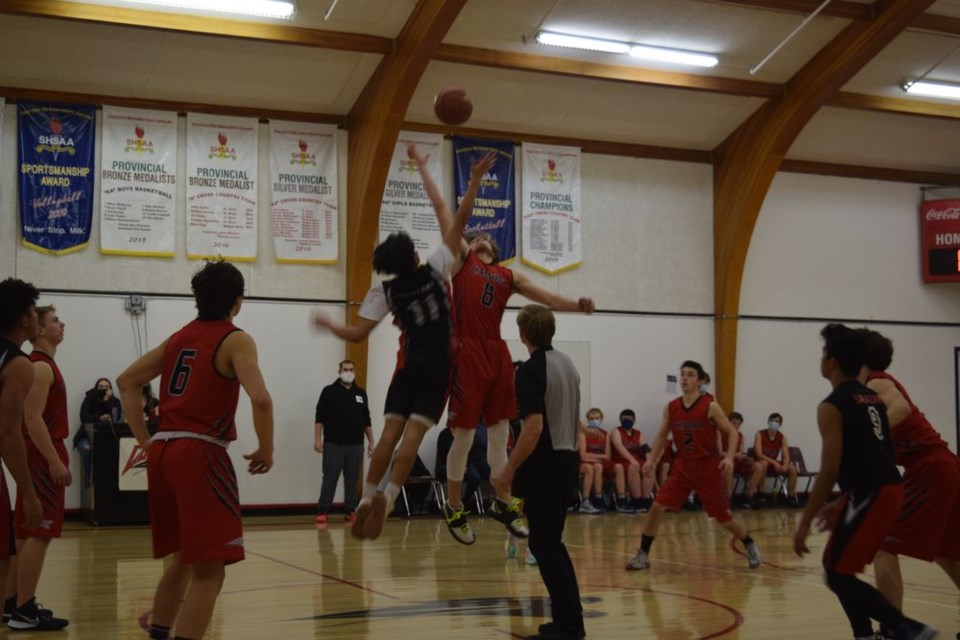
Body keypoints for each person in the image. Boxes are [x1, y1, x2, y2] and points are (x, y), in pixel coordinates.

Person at [312, 143, 490, 541]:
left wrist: (329, 324)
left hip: (408, 366)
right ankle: (389, 498)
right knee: (413, 436)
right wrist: (472, 179)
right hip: (440, 364)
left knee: (390, 432)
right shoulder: (436, 269)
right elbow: (457, 219)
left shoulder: (384, 292)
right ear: (413, 256)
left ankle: (363, 501)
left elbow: (357, 334)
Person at [436, 150, 595, 546]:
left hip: (496, 353)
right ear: (472, 246)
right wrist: (473, 182)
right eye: (478, 239)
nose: (483, 240)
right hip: (467, 351)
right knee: (462, 435)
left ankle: (503, 502)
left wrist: (576, 304)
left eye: (488, 240)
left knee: (500, 431)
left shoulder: (507, 275)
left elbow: (543, 296)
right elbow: (457, 223)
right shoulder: (460, 263)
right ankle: (454, 506)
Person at [117, 259, 275, 640]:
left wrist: (145, 441)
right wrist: (266, 447)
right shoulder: (235, 338)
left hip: (164, 453)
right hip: (200, 453)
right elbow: (261, 399)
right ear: (237, 302)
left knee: (181, 561)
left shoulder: (178, 338)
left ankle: (159, 631)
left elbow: (126, 381)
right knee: (210, 570)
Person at [793, 324, 936, 640]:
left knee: (837, 573)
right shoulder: (870, 396)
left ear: (831, 361)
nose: (821, 358)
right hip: (885, 488)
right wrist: (844, 502)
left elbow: (828, 471)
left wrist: (803, 524)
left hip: (872, 492)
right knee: (840, 568)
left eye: (823, 352)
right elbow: (882, 451)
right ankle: (866, 633)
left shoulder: (831, 406)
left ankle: (906, 627)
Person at [858, 329, 960, 639]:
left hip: (930, 466)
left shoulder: (876, 382)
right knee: (949, 552)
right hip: (943, 465)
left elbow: (899, 410)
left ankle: (894, 628)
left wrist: (870, 435)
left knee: (882, 543)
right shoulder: (873, 383)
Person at [493, 305, 584, 640]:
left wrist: (508, 468)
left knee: (545, 546)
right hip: (567, 461)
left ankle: (570, 627)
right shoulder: (568, 364)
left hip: (545, 465)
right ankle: (568, 620)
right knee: (551, 545)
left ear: (523, 334)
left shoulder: (530, 371)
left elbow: (532, 427)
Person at [627, 360, 762, 571]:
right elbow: (662, 435)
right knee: (656, 507)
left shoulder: (710, 406)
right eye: (682, 374)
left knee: (724, 518)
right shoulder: (671, 408)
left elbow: (732, 432)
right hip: (683, 466)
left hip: (708, 467)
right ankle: (643, 554)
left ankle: (749, 543)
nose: (684, 378)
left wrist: (728, 457)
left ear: (699, 381)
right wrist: (651, 460)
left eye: (690, 374)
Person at [3, 305, 70, 630]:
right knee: (39, 532)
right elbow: (32, 418)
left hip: (36, 454)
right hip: (43, 455)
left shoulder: (39, 365)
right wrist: (54, 460)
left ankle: (12, 603)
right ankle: (24, 611)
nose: (62, 324)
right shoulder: (40, 368)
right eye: (55, 320)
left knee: (26, 532)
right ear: (39, 330)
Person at [0, 281, 45, 628]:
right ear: (24, 319)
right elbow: (9, 433)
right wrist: (28, 493)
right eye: (34, 311)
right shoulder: (19, 364)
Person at [314, 360, 373, 525]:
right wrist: (318, 439)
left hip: (356, 445)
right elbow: (319, 418)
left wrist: (371, 442)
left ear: (355, 371)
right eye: (345, 369)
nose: (348, 372)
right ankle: (323, 510)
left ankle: (350, 510)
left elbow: (366, 420)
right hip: (333, 444)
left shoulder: (361, 393)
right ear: (339, 371)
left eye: (351, 369)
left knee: (352, 479)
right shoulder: (329, 391)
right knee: (330, 477)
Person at [609, 409, 654, 513]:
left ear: (634, 420)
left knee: (650, 466)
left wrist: (649, 460)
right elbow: (620, 447)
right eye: (624, 418)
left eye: (629, 418)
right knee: (634, 467)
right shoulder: (616, 432)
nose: (627, 420)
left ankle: (646, 500)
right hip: (621, 460)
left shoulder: (638, 433)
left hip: (636, 459)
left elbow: (644, 447)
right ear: (620, 420)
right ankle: (636, 500)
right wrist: (632, 459)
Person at [752, 412, 800, 507]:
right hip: (761, 462)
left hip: (773, 463)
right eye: (772, 420)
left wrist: (785, 465)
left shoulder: (782, 437)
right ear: (768, 422)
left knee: (793, 469)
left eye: (776, 421)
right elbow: (759, 454)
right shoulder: (759, 434)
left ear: (780, 424)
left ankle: (790, 497)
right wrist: (774, 462)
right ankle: (760, 494)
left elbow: (786, 455)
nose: (773, 422)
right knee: (764, 463)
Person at [577, 408, 612, 514]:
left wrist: (594, 457)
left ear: (601, 419)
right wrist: (600, 457)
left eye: (597, 418)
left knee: (598, 467)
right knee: (590, 467)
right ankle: (585, 501)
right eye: (591, 418)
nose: (594, 420)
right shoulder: (583, 434)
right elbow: (583, 456)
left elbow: (608, 456)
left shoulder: (605, 434)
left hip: (598, 464)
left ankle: (598, 498)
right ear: (588, 420)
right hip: (584, 463)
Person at [720, 411, 755, 503]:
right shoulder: (720, 433)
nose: (736, 426)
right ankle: (728, 498)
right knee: (729, 467)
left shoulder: (740, 436)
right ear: (728, 422)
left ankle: (750, 496)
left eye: (739, 424)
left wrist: (744, 457)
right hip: (724, 460)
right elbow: (719, 453)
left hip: (737, 461)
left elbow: (741, 452)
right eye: (734, 423)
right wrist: (734, 455)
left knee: (758, 466)